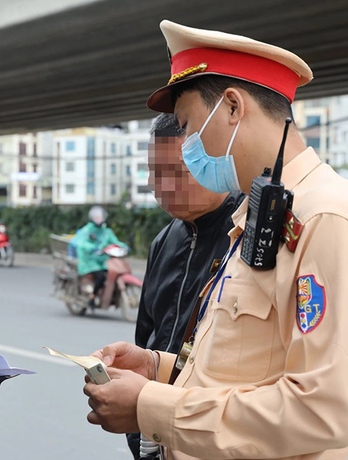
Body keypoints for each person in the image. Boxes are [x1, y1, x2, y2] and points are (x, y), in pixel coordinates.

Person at [84, 21, 348, 460]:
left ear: (231, 107)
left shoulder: (327, 216)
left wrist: (149, 404)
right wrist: (158, 367)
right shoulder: (261, 212)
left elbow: (323, 412)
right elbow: (246, 368)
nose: (187, 146)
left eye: (188, 126)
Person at [125, 113, 245, 459]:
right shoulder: (164, 240)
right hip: (154, 430)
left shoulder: (246, 235)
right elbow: (146, 338)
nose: (162, 186)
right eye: (154, 173)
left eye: (176, 172)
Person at [75, 205, 128, 306]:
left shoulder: (106, 231)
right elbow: (81, 243)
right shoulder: (87, 230)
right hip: (89, 260)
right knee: (100, 277)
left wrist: (124, 246)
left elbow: (115, 242)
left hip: (103, 260)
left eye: (100, 217)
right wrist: (92, 248)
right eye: (96, 217)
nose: (99, 219)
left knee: (110, 273)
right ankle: (92, 296)